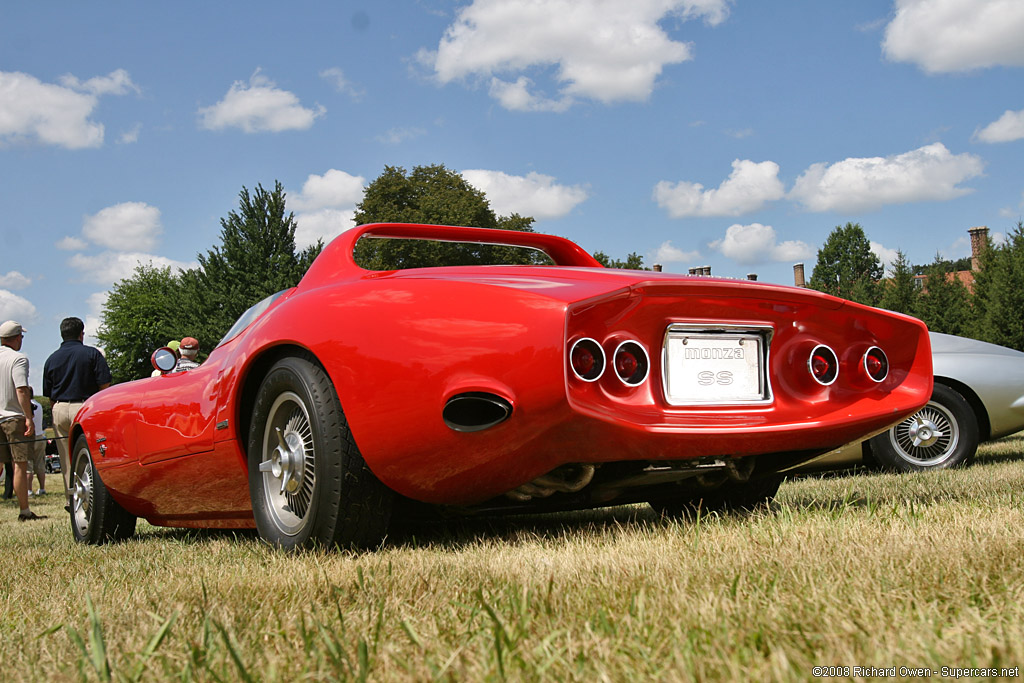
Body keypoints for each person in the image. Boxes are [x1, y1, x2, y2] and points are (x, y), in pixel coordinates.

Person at [42, 317, 111, 509]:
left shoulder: (51, 358)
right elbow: (104, 385)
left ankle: (72, 499)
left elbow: (48, 392)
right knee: (90, 454)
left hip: (60, 408)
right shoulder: (92, 354)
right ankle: (93, 496)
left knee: (65, 458)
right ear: (82, 334)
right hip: (85, 406)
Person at [0, 321, 43, 521]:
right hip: (13, 417)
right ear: (17, 338)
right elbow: (21, 389)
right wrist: (28, 417)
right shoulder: (18, 359)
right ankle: (24, 510)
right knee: (19, 463)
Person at [26, 392, 46, 496]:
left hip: (30, 437)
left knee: (28, 466)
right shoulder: (39, 405)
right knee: (40, 464)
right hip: (40, 436)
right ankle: (42, 488)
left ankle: (29, 490)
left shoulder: (26, 406)